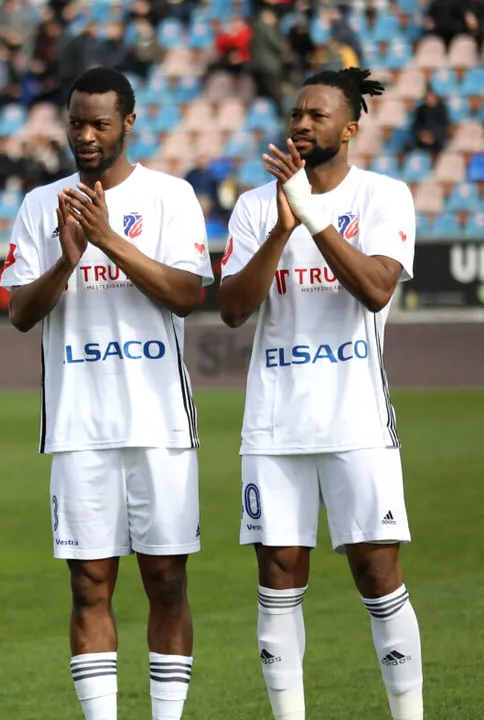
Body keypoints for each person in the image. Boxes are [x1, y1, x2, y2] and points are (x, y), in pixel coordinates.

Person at [0, 66, 214, 720]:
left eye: (99, 122)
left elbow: (188, 296)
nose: (86, 135)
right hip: (79, 426)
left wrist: (107, 240)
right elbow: (20, 313)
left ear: (129, 122)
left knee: (167, 581)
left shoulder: (171, 197)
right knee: (89, 584)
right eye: (76, 122)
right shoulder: (41, 205)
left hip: (159, 425)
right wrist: (67, 258)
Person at [218, 68, 423, 720]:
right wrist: (282, 227)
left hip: (357, 419)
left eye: (318, 115)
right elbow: (231, 310)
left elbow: (376, 289)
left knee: (376, 572)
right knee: (278, 576)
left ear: (350, 129)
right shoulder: (255, 206)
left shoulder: (384, 198)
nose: (302, 124)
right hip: (275, 424)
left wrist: (314, 216)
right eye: (296, 113)